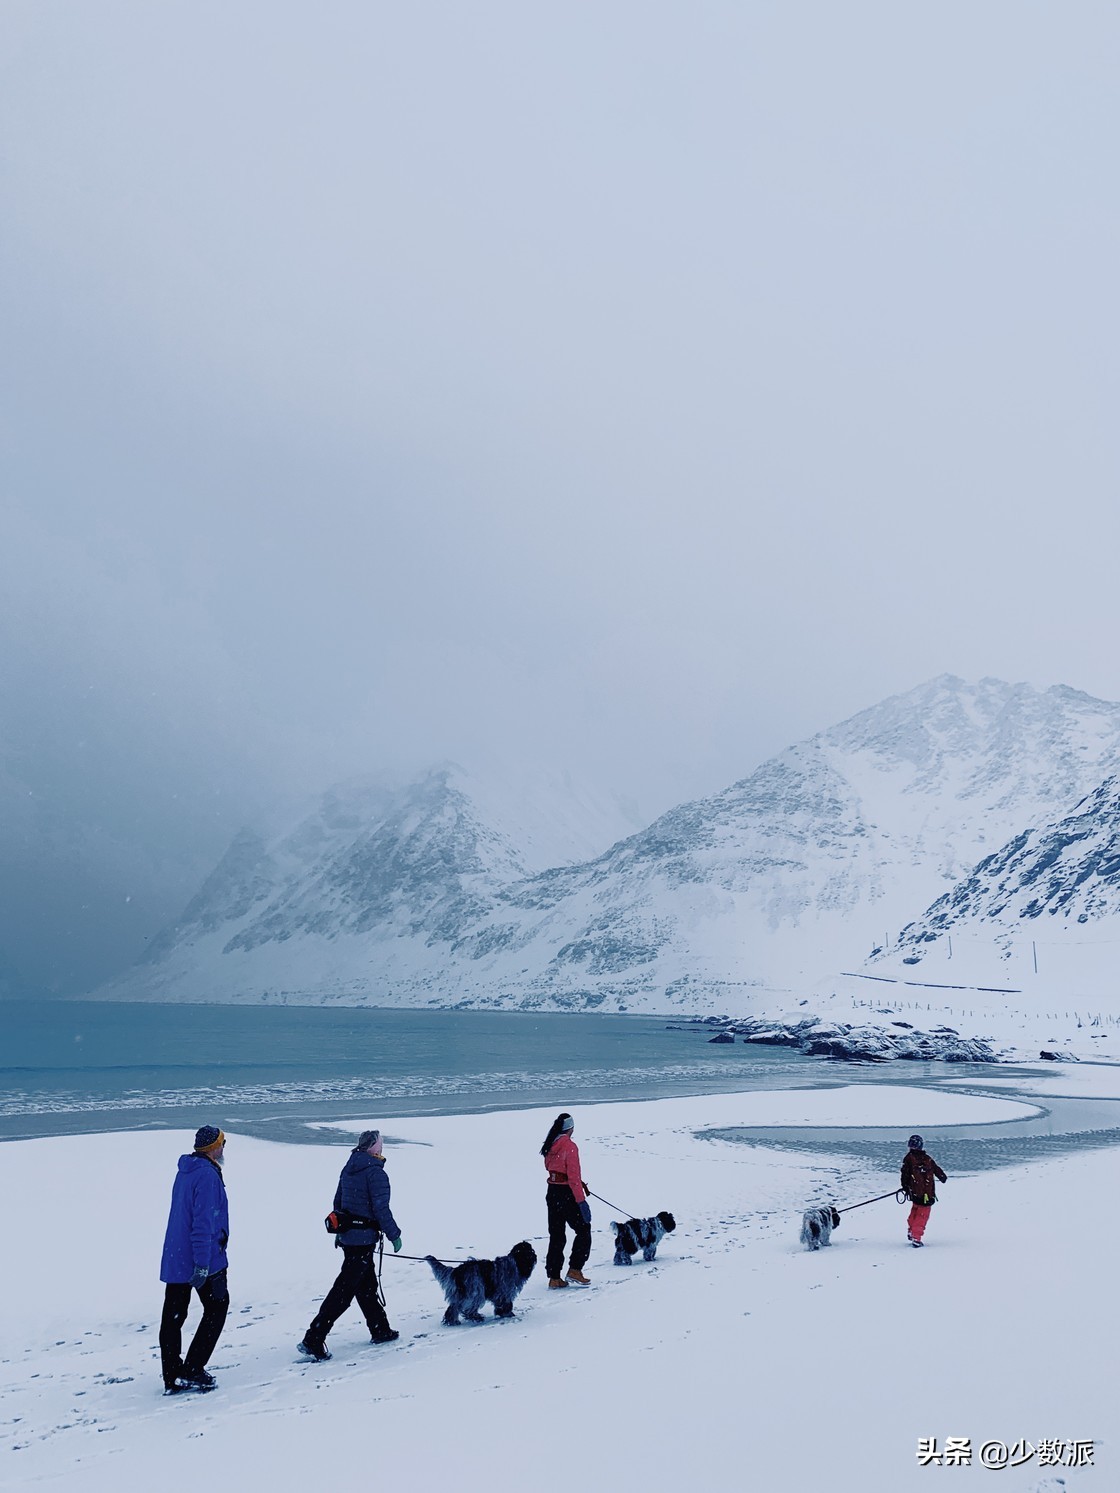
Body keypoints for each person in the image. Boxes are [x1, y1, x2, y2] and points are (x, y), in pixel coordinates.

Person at [298, 1129, 402, 1361]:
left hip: (351, 1238)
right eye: (380, 1143)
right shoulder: (375, 1172)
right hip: (362, 1239)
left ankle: (380, 1329)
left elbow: (338, 1202)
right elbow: (381, 1209)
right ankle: (314, 1338)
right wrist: (394, 1234)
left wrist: (340, 1232)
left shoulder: (349, 1167)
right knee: (344, 1291)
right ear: (373, 1147)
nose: (382, 1147)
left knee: (366, 1286)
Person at [159, 1125, 231, 1394]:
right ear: (213, 1147)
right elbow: (203, 1224)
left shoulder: (186, 1170)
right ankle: (192, 1370)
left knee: (174, 1316)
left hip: (177, 1255)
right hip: (203, 1258)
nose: (224, 1147)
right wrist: (202, 1264)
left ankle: (172, 1374)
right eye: (223, 1142)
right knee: (217, 1307)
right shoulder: (206, 1176)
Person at [541, 1111, 592, 1288]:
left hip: (552, 1191)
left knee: (556, 1234)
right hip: (567, 1193)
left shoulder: (550, 1144)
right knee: (584, 1229)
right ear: (571, 1128)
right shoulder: (570, 1146)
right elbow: (573, 1177)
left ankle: (554, 1277)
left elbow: (550, 1168)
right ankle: (575, 1269)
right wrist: (581, 1201)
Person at [900, 1133, 947, 1247]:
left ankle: (911, 1231)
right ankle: (916, 1237)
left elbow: (904, 1174)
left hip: (917, 1193)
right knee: (922, 1215)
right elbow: (935, 1169)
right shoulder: (925, 1159)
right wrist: (942, 1176)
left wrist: (905, 1186)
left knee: (915, 1212)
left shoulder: (913, 1159)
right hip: (924, 1193)